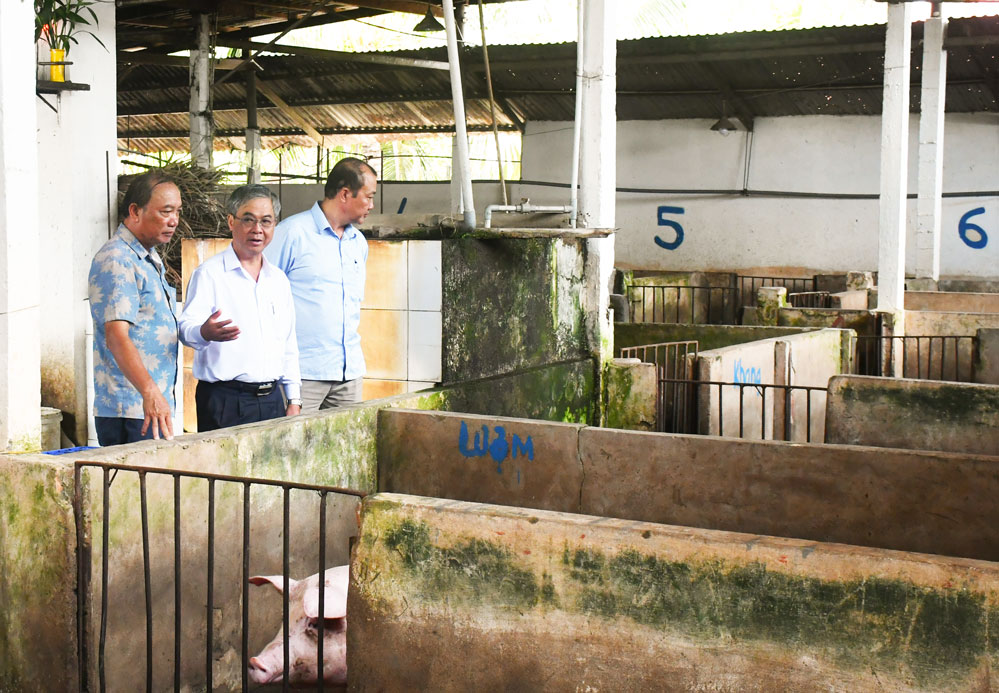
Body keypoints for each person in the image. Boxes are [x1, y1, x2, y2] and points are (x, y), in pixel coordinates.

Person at [178, 185, 302, 432]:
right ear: (231, 222)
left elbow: (288, 343)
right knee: (222, 471)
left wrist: (294, 398)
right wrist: (204, 332)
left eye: (266, 222)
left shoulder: (278, 280)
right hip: (224, 401)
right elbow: (185, 329)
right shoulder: (210, 274)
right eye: (248, 220)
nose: (257, 230)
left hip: (272, 400)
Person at [265, 157, 376, 412]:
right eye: (368, 197)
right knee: (293, 449)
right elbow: (264, 297)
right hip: (302, 375)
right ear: (345, 194)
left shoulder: (358, 242)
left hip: (348, 376)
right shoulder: (292, 233)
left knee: (345, 450)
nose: (371, 205)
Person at [88, 170, 181, 445]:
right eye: (165, 211)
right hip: (131, 409)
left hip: (148, 406)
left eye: (177, 211)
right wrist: (149, 391)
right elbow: (117, 336)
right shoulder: (118, 258)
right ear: (135, 211)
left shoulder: (147, 257)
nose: (174, 220)